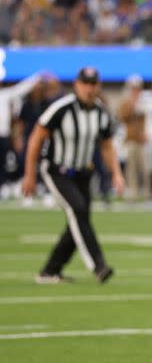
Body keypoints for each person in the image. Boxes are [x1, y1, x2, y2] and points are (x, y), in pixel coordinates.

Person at [21, 66, 123, 283]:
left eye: (93, 83)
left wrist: (117, 173)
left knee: (79, 220)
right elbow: (36, 139)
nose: (89, 88)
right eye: (85, 83)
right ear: (77, 84)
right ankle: (99, 266)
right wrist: (29, 175)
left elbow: (107, 146)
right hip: (57, 170)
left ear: (99, 86)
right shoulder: (61, 108)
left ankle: (49, 271)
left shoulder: (100, 112)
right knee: (78, 211)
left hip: (83, 173)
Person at [117, 75, 149, 201]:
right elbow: (122, 116)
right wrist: (131, 105)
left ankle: (147, 195)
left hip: (142, 141)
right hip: (130, 140)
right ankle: (133, 195)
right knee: (131, 170)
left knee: (145, 169)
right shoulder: (127, 102)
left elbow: (146, 120)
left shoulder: (144, 101)